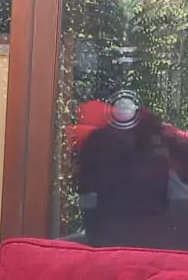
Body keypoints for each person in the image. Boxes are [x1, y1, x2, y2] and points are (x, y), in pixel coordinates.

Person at [74, 92, 172, 246]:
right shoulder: (100, 141)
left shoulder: (155, 152)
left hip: (126, 223)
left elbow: (84, 184)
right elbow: (85, 184)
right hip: (116, 222)